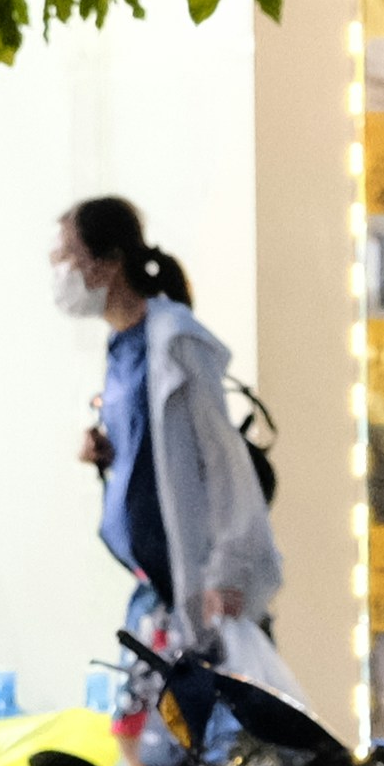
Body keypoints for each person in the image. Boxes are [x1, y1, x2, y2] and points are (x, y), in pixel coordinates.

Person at [54, 195, 285, 687]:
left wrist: (228, 570)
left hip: (200, 587)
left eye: (68, 256)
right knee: (143, 737)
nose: (59, 270)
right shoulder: (121, 347)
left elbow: (221, 461)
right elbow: (153, 450)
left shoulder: (175, 342)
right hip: (155, 587)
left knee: (185, 737)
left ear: (109, 263)